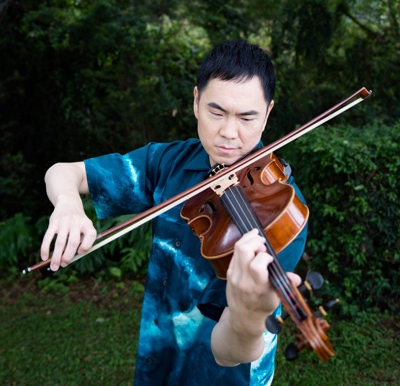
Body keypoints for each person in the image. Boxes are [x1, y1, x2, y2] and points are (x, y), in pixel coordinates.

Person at [40, 40, 308, 385]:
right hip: (157, 363)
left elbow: (229, 353)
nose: (229, 133)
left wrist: (246, 317)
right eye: (216, 112)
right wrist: (68, 205)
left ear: (268, 113)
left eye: (247, 117)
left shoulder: (283, 214)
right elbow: (64, 172)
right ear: (196, 102)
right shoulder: (169, 162)